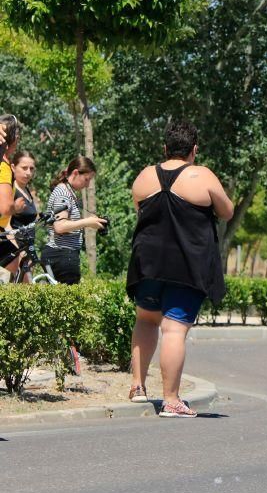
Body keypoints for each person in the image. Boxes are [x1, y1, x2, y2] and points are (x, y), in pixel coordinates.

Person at [126, 120, 234, 418]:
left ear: (165, 148)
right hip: (186, 264)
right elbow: (227, 211)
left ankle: (137, 387)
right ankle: (171, 400)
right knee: (173, 328)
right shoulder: (202, 175)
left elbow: (141, 208)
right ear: (194, 150)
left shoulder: (145, 176)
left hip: (146, 262)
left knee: (145, 320)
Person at [41, 156, 106, 284]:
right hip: (62, 254)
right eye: (87, 179)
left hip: (64, 254)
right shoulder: (63, 193)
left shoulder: (67, 191)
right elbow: (60, 226)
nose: (87, 185)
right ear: (75, 173)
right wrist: (87, 222)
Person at [2, 151, 40, 278]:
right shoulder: (10, 190)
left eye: (31, 169)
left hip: (28, 250)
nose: (28, 172)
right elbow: (5, 223)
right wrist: (18, 250)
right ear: (13, 167)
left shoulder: (27, 190)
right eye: (24, 168)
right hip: (14, 253)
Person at [0, 115, 25, 270]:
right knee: (22, 267)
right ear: (14, 138)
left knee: (20, 264)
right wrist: (15, 207)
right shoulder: (3, 167)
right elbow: (4, 208)